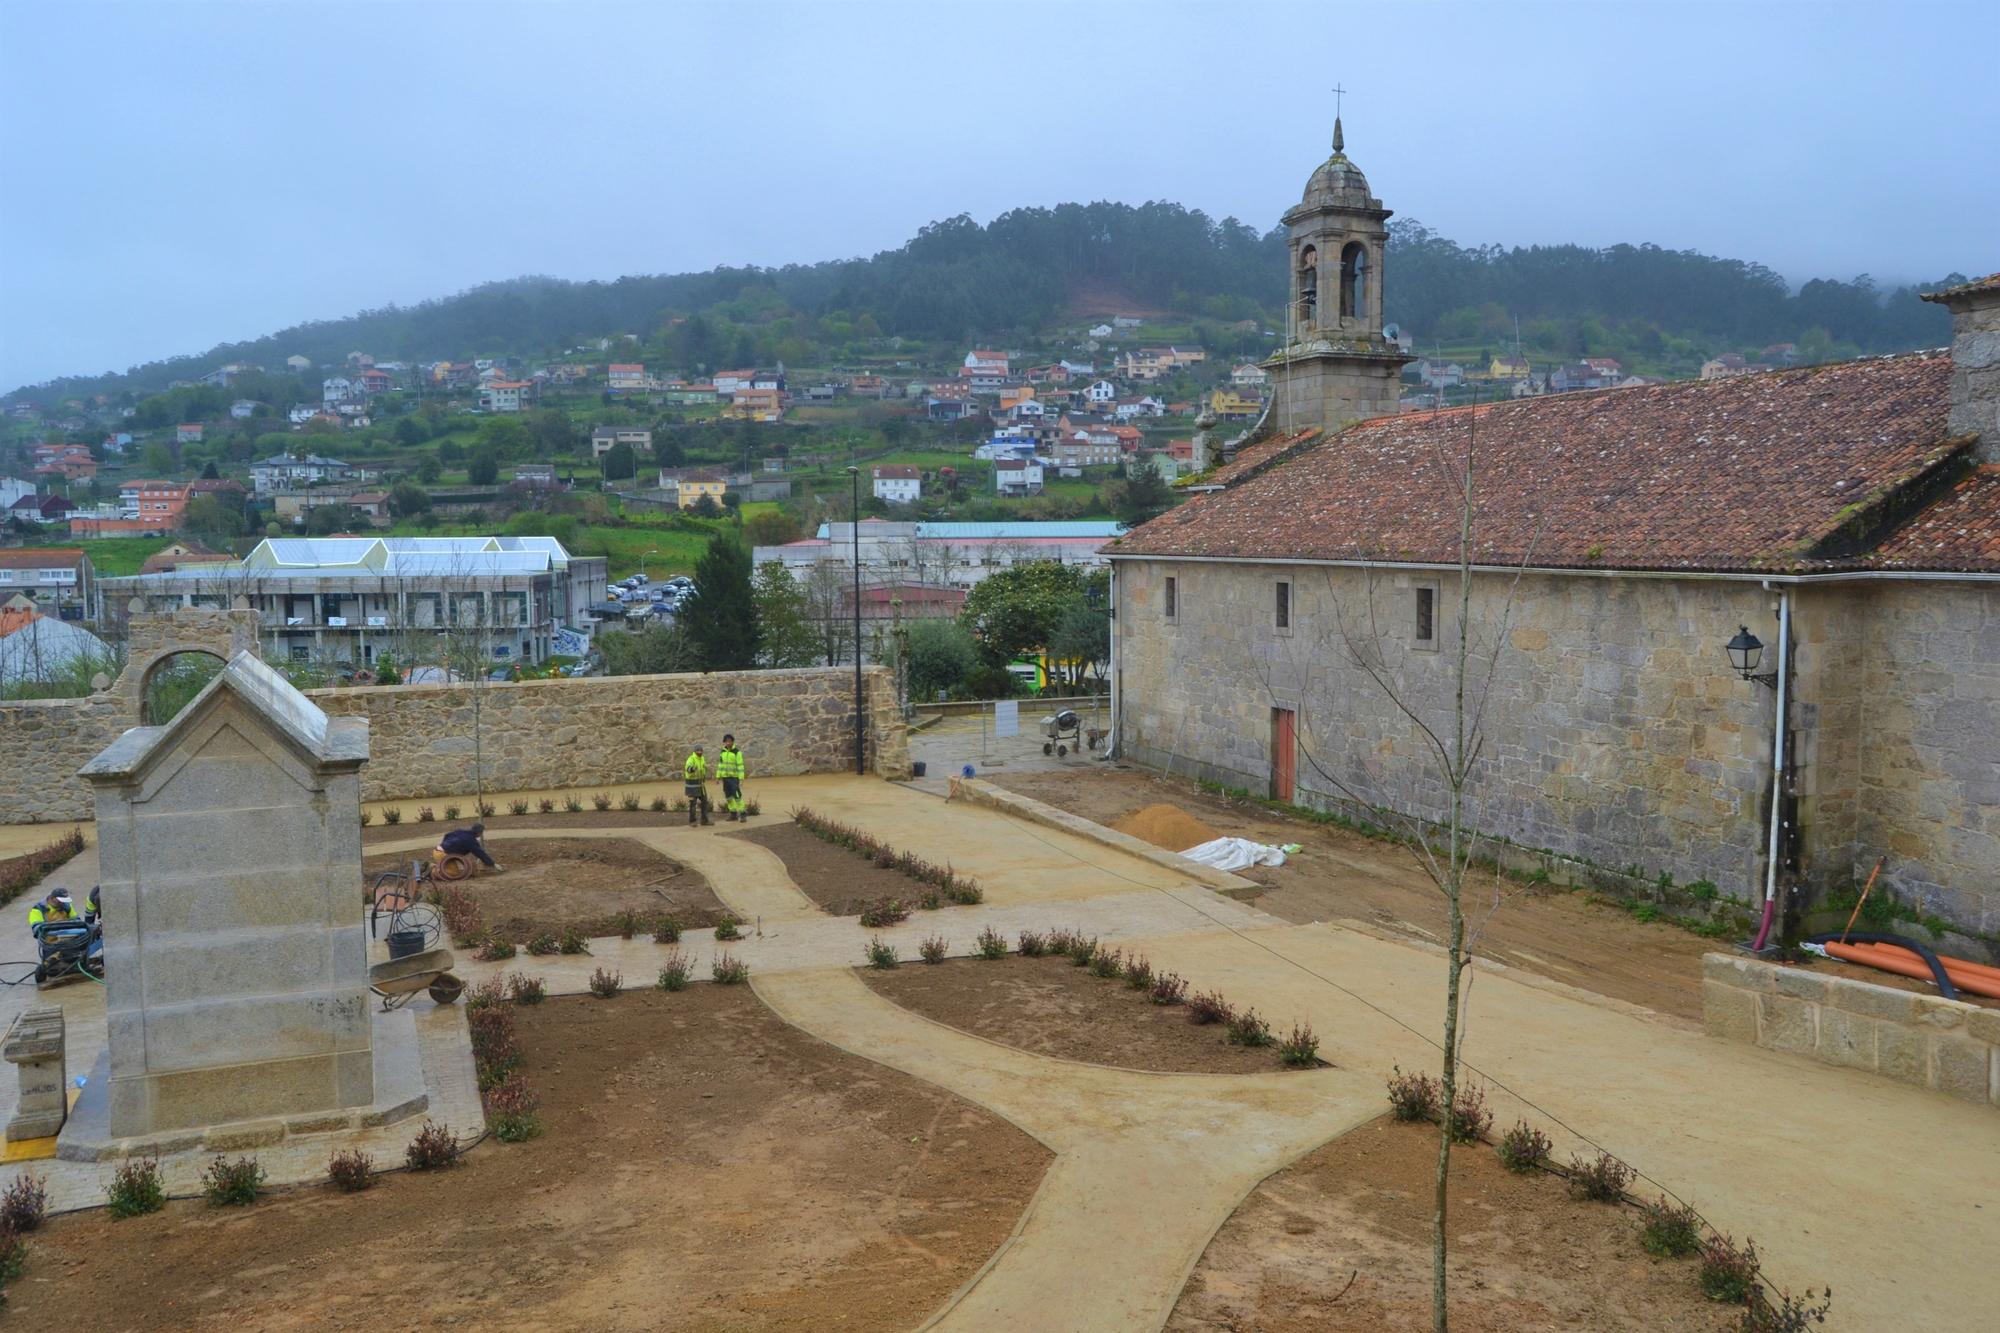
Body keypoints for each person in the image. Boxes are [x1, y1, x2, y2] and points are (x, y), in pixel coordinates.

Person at [436, 822, 502, 873]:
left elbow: (447, 835)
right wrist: (493, 864)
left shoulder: (461, 831)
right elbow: (480, 853)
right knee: (454, 873)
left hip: (437, 850)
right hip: (442, 854)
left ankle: (436, 867)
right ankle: (433, 870)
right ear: (479, 832)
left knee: (452, 870)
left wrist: (444, 845)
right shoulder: (471, 841)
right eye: (482, 832)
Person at [716, 734, 749, 822]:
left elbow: (740, 766)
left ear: (732, 742)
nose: (728, 743)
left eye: (730, 741)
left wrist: (741, 779)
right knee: (728, 797)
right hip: (725, 778)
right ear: (724, 742)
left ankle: (742, 813)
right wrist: (718, 777)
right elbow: (720, 765)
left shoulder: (737, 752)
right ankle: (733, 813)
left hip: (734, 778)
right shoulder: (722, 752)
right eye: (726, 741)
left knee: (737, 796)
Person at [683, 745, 712, 826]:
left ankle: (704, 820)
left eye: (701, 751)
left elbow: (702, 768)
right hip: (692, 785)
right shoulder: (691, 759)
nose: (699, 752)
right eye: (698, 751)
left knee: (705, 802)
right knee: (693, 803)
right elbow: (688, 768)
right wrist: (692, 768)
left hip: (700, 784)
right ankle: (692, 821)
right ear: (695, 751)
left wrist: (707, 769)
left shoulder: (702, 758)